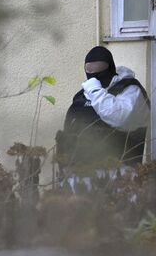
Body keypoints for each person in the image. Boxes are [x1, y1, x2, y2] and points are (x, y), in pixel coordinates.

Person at [55, 46, 150, 184]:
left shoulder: (131, 92)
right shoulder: (83, 95)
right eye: (89, 72)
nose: (93, 77)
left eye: (99, 72)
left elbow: (119, 118)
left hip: (119, 179)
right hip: (78, 179)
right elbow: (68, 133)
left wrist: (94, 89)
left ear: (110, 69)